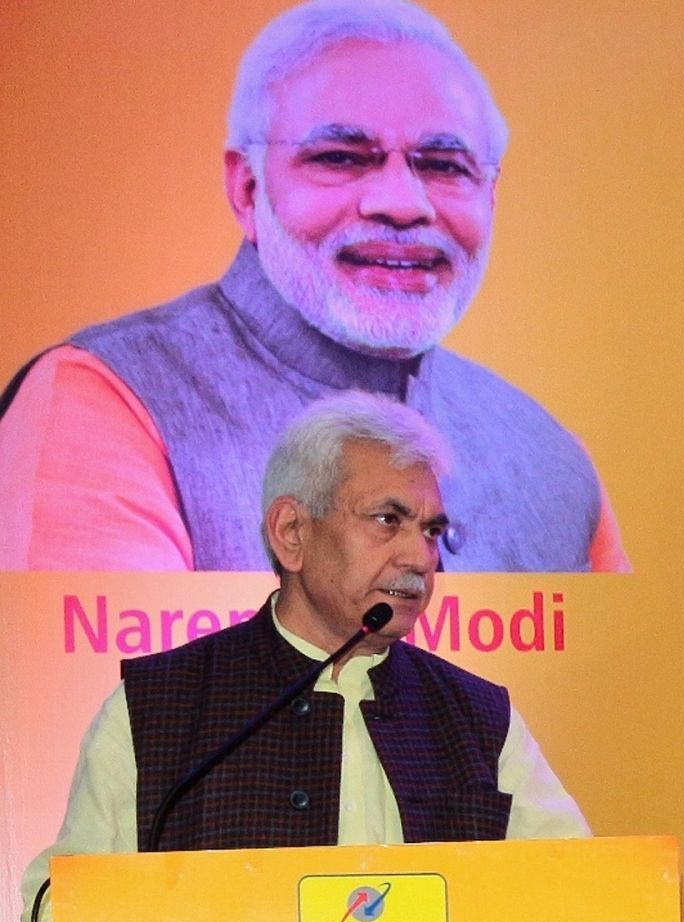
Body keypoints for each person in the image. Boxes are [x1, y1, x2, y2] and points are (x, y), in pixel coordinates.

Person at [9, 391, 591, 922]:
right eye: (388, 520)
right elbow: (70, 891)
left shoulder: (479, 719)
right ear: (292, 532)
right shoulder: (160, 706)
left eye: (431, 531)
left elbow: (578, 891)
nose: (420, 558)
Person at [0, 0, 626, 572]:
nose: (401, 203)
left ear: (491, 197)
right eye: (341, 158)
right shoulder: (109, 401)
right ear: (247, 189)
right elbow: (99, 662)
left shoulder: (553, 464)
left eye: (443, 165)